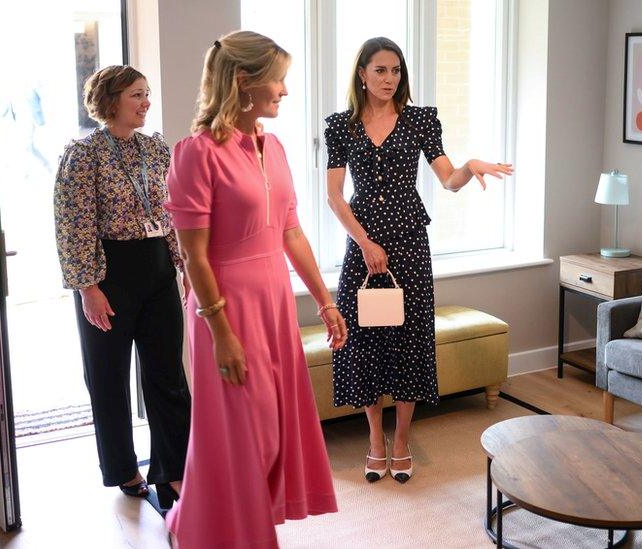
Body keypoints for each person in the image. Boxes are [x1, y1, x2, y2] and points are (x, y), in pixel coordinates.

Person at [164, 31, 343, 548]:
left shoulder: (275, 147)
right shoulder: (196, 153)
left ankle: (193, 521)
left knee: (273, 430)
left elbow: (291, 232)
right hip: (226, 308)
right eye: (278, 78)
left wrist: (326, 301)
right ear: (243, 82)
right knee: (245, 433)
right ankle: (225, 534)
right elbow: (194, 255)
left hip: (274, 302)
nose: (285, 90)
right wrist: (219, 330)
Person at [324, 37, 513, 483]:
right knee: (364, 339)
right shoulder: (341, 126)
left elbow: (448, 180)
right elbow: (334, 196)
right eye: (381, 70)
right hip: (362, 246)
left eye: (396, 71)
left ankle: (403, 440)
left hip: (409, 245)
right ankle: (375, 440)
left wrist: (469, 166)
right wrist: (366, 243)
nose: (390, 79)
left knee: (410, 340)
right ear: (362, 74)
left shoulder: (420, 120)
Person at [53, 65, 190, 506]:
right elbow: (73, 225)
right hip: (108, 274)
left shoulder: (156, 148)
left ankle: (172, 471)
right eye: (137, 94)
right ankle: (124, 469)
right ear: (111, 100)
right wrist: (88, 287)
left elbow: (169, 210)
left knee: (168, 375)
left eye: (147, 93)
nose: (146, 101)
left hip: (157, 269)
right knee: (108, 379)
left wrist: (181, 263)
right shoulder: (84, 153)